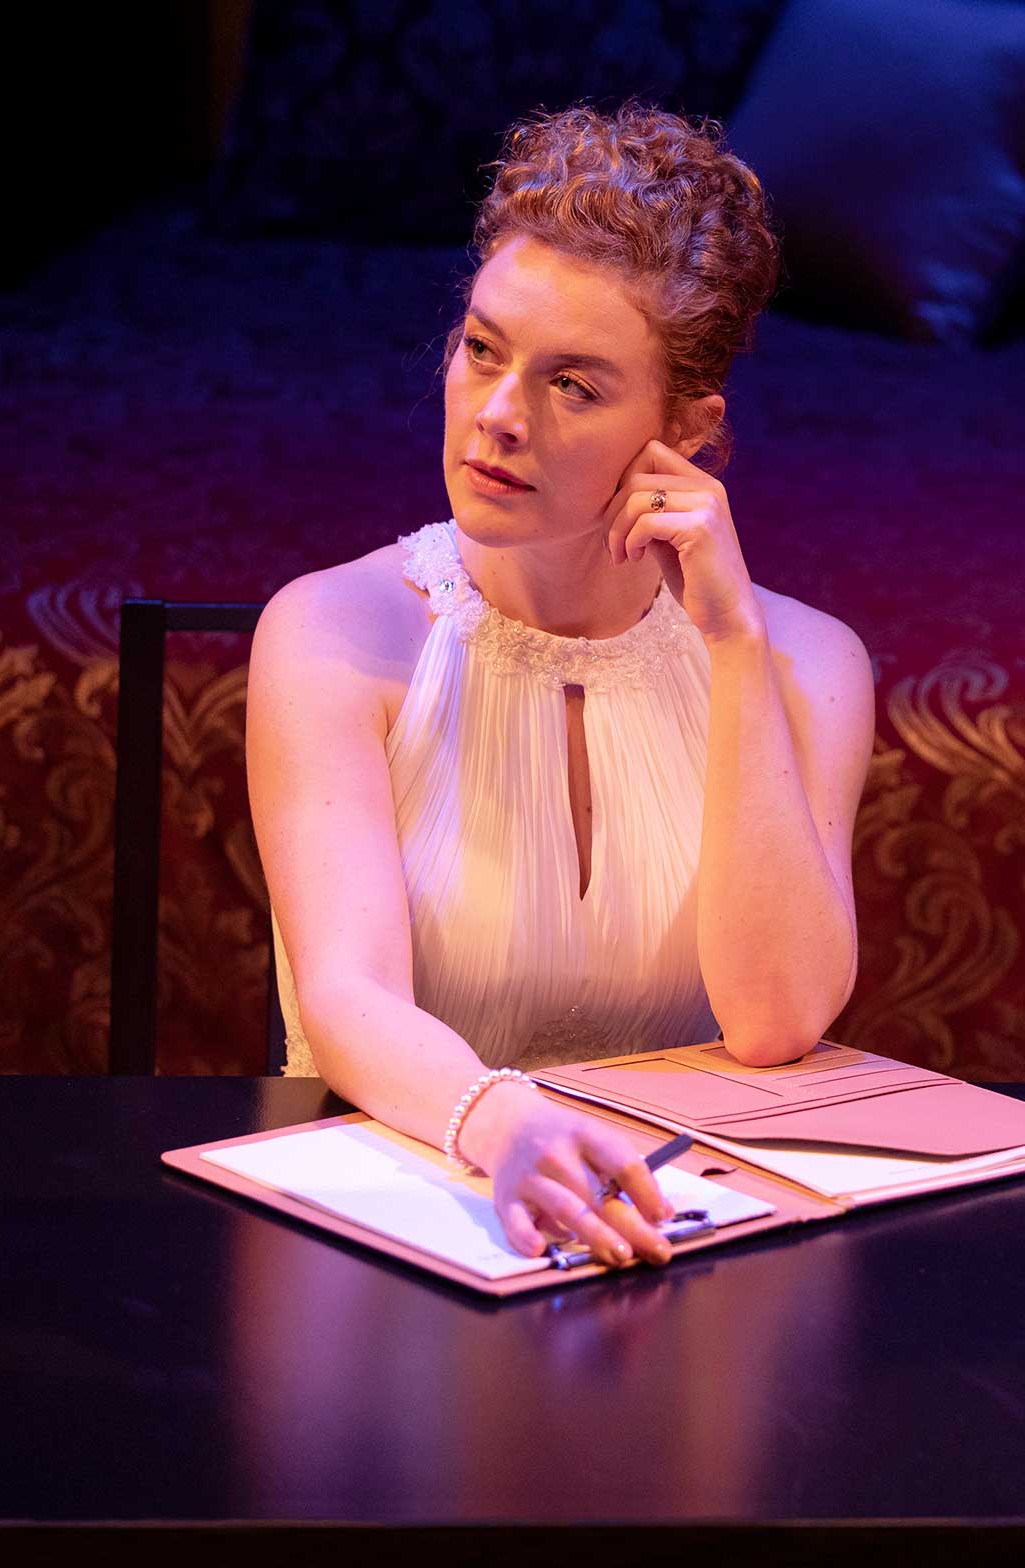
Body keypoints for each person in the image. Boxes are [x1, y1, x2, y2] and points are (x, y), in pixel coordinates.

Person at [246, 103, 873, 1269]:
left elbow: (777, 1017)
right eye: (482, 350)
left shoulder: (807, 664)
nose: (496, 415)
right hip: (397, 1214)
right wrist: (507, 1124)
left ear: (683, 431)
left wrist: (730, 640)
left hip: (675, 1235)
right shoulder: (330, 631)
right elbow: (346, 995)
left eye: (572, 385)